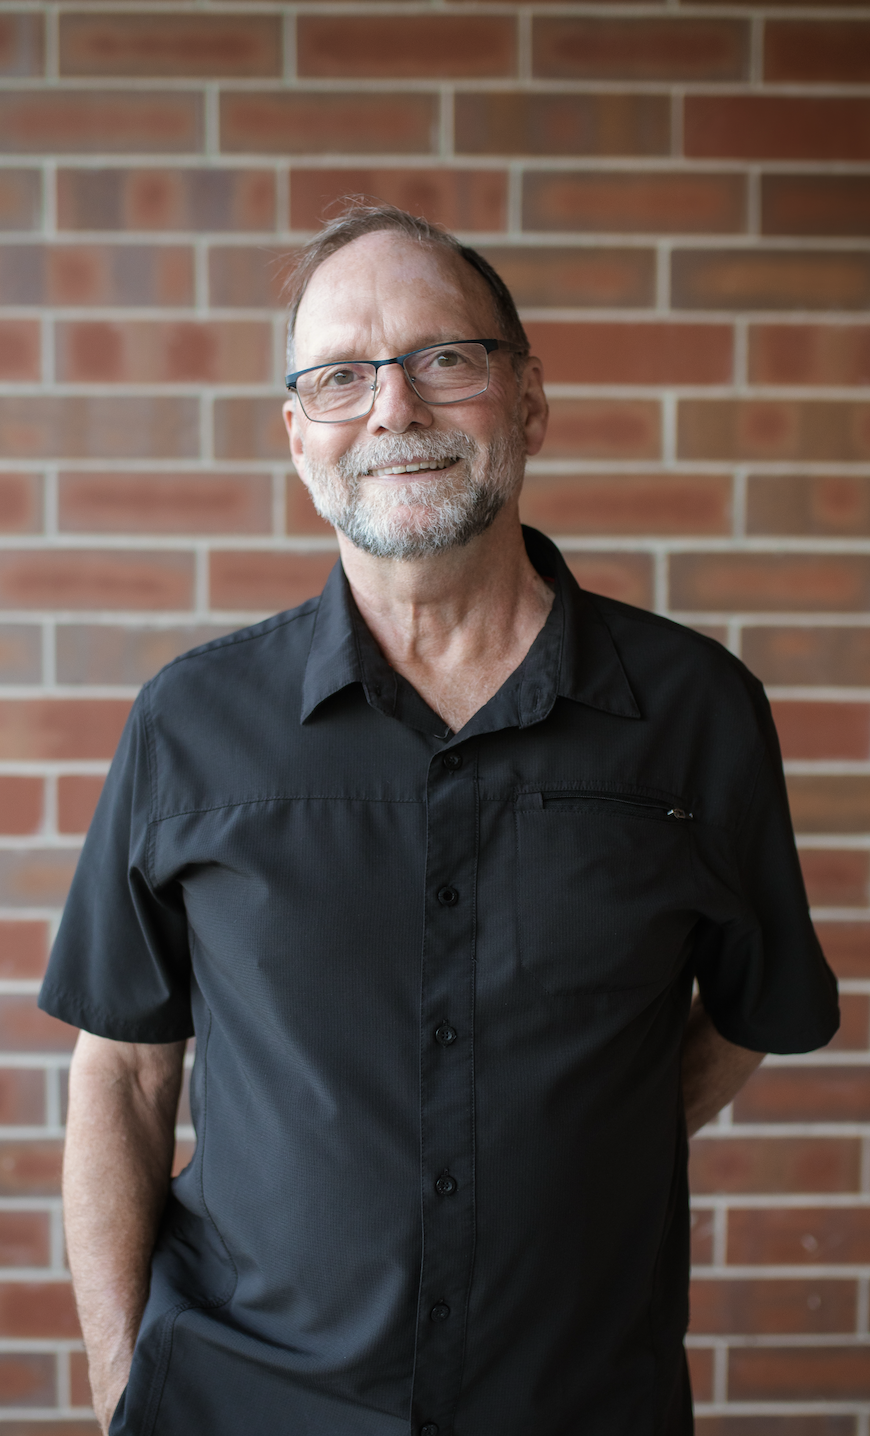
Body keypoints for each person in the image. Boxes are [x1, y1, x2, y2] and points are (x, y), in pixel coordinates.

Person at [40, 203, 839, 1436]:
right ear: (299, 435)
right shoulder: (188, 723)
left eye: (441, 360)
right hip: (241, 1403)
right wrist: (120, 1389)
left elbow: (748, 1012)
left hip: (579, 1404)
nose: (394, 410)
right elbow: (126, 1077)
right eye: (341, 377)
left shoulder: (697, 713)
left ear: (526, 398)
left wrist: (583, 1123)